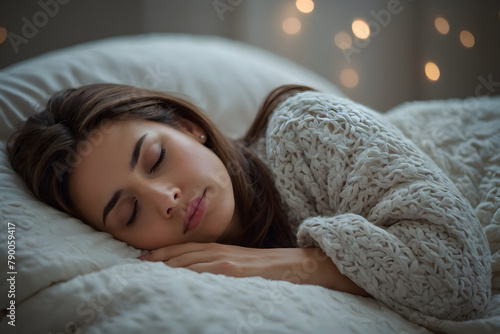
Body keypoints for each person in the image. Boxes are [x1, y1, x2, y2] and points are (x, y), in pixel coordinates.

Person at [7, 83, 491, 328]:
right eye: (129, 213)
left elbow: (458, 278)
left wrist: (301, 262)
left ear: (186, 125)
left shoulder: (306, 128)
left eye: (156, 158)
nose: (165, 199)